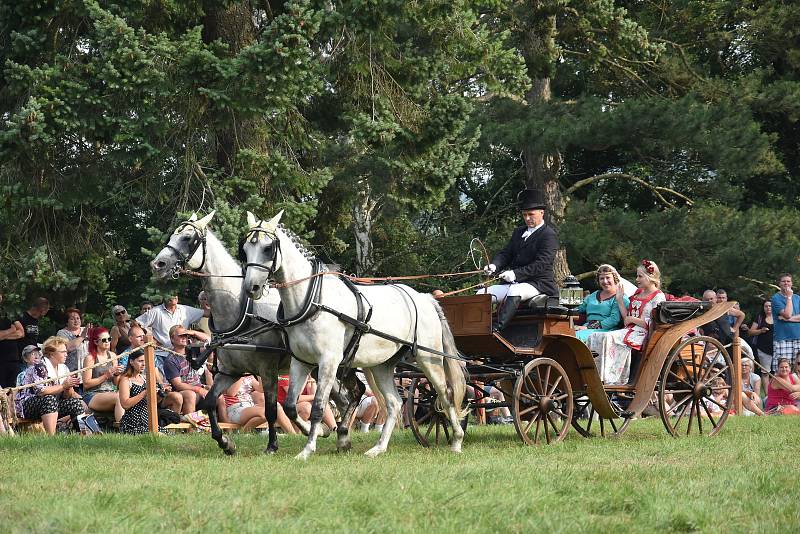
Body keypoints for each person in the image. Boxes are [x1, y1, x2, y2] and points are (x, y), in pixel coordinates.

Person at [479, 189, 559, 332]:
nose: (527, 218)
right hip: (514, 282)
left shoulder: (548, 235)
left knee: (516, 290)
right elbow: (506, 253)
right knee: (482, 294)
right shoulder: (518, 232)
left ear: (542, 212)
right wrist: (494, 265)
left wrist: (515, 274)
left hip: (538, 283)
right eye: (524, 215)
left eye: (531, 214)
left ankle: (497, 328)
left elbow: (541, 264)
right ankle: (478, 326)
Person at [586, 260, 665, 385]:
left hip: (644, 333)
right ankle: (593, 375)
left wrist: (632, 320)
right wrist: (619, 300)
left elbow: (653, 323)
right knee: (595, 336)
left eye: (640, 276)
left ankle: (610, 379)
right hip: (630, 329)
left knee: (607, 337)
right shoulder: (638, 293)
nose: (637, 279)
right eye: (637, 276)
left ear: (650, 277)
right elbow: (626, 318)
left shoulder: (658, 297)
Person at [15, 336, 85, 435]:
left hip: (52, 404)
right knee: (49, 399)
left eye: (66, 351)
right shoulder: (40, 366)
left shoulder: (63, 368)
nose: (66, 354)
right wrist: (63, 386)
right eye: (63, 352)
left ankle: (83, 433)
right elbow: (41, 391)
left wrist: (69, 387)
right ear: (52, 354)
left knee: (75, 403)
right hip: (28, 406)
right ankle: (51, 437)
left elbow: (66, 396)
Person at [574, 264, 630, 343]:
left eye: (608, 278)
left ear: (615, 279)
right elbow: (578, 309)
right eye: (602, 278)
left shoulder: (619, 297)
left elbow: (614, 320)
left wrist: (588, 327)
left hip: (606, 330)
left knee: (575, 337)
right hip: (585, 328)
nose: (605, 281)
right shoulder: (593, 295)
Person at [162, 325, 211, 414]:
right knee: (190, 395)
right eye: (181, 335)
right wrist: (199, 390)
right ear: (172, 339)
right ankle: (191, 426)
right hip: (183, 393)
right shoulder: (170, 360)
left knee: (217, 395)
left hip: (199, 389)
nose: (184, 337)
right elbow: (178, 385)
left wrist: (193, 333)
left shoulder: (193, 350)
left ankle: (225, 426)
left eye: (185, 335)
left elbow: (210, 342)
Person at [81, 327, 124, 422]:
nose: (108, 341)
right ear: (96, 342)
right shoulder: (90, 358)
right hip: (93, 394)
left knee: (124, 395)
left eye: (109, 339)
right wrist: (106, 376)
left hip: (110, 391)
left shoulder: (112, 355)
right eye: (104, 340)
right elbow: (86, 384)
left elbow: (116, 383)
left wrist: (117, 374)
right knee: (119, 397)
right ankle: (122, 426)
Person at [134, 294, 207, 348]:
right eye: (171, 294)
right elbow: (135, 323)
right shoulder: (156, 311)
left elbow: (207, 313)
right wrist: (150, 339)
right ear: (164, 297)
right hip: (162, 354)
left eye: (175, 294)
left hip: (182, 353)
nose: (174, 296)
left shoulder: (185, 310)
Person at [118, 351, 161, 434]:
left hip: (146, 420)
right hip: (133, 422)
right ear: (131, 362)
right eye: (140, 361)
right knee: (159, 435)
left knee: (166, 435)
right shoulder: (126, 380)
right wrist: (144, 393)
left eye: (145, 361)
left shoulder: (143, 378)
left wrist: (159, 394)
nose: (144, 364)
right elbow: (125, 404)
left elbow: (151, 402)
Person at [770, 273, 800, 373]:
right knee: (782, 370)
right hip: (782, 339)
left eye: (788, 281)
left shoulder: (798, 298)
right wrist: (789, 298)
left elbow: (787, 317)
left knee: (798, 369)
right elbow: (787, 314)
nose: (786, 283)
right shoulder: (775, 298)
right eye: (783, 281)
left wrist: (788, 319)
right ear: (779, 283)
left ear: (792, 283)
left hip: (798, 337)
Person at [748, 300, 773, 393]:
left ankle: (778, 394)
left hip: (777, 348)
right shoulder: (760, 317)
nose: (768, 308)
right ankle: (767, 395)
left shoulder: (778, 317)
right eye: (766, 306)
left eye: (770, 306)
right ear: (763, 307)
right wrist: (760, 331)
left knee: (777, 372)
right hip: (763, 348)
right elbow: (750, 332)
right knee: (765, 372)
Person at [16, 297, 49, 368]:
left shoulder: (36, 320)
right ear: (42, 310)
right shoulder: (22, 317)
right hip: (23, 356)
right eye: (46, 310)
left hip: (34, 356)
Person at [0, 293, 25, 388]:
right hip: (1, 361)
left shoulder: (8, 313)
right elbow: (16, 331)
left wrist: (3, 335)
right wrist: (11, 330)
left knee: (14, 390)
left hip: (14, 359)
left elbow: (21, 333)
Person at [56, 308, 90, 372]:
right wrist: (82, 337)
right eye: (72, 319)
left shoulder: (86, 330)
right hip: (71, 370)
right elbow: (67, 348)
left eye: (78, 318)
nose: (76, 321)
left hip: (88, 368)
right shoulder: (62, 333)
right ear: (66, 321)